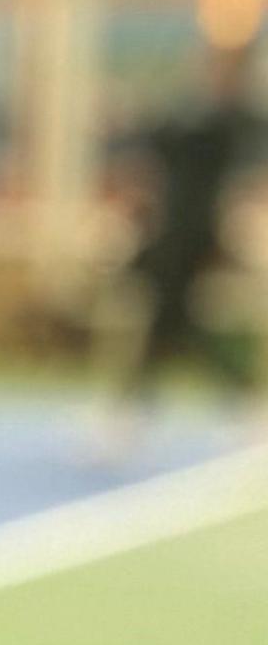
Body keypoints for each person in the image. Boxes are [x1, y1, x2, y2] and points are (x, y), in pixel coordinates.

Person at [104, 37, 259, 442]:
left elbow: (246, 176)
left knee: (168, 317)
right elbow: (143, 151)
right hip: (168, 231)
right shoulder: (183, 117)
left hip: (201, 232)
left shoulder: (238, 121)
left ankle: (133, 405)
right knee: (173, 318)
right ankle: (234, 393)